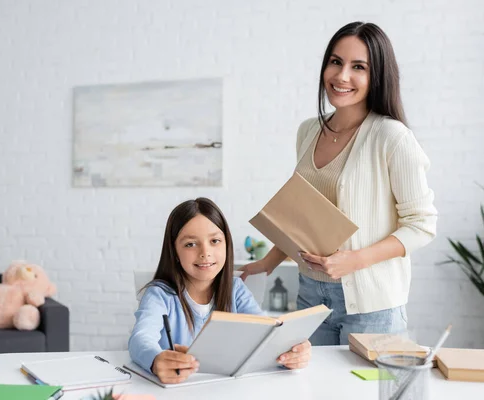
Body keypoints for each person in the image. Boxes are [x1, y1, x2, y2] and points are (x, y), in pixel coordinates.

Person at [239, 22, 437, 346]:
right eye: (335, 62)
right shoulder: (307, 131)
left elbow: (422, 225)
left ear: (377, 76)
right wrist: (267, 262)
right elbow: (305, 217)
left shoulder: (392, 137)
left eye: (358, 67)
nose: (342, 76)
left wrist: (354, 260)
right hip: (310, 297)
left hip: (372, 307)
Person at [129, 197, 311, 384]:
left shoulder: (236, 289)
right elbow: (141, 339)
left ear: (226, 245)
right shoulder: (159, 294)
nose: (205, 252)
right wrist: (155, 360)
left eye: (215, 241)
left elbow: (265, 332)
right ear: (174, 251)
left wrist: (292, 352)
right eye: (190, 244)